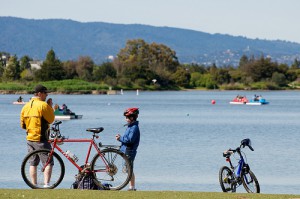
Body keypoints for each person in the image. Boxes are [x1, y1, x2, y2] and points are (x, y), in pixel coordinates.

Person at [20, 84, 55, 188]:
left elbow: (22, 125)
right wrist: (50, 106)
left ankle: (34, 185)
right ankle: (46, 185)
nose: (46, 95)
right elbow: (51, 119)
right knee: (48, 162)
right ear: (39, 94)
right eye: (45, 93)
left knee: (33, 163)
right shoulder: (43, 105)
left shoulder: (25, 106)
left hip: (30, 138)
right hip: (41, 138)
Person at [115, 107, 140, 191]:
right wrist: (121, 138)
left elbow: (130, 140)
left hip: (130, 150)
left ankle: (132, 187)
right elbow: (127, 138)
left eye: (127, 117)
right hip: (127, 150)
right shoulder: (130, 126)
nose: (126, 119)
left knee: (129, 168)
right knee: (128, 169)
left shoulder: (134, 128)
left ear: (132, 117)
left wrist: (120, 138)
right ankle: (131, 186)